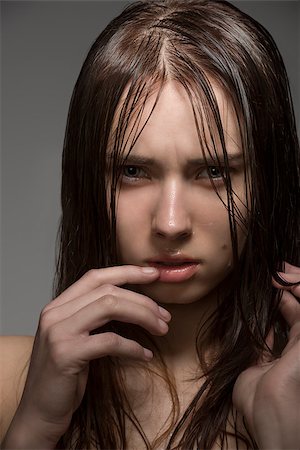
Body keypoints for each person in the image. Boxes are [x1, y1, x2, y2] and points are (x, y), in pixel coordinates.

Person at [1, 0, 300, 448]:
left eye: (215, 171)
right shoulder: (10, 381)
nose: (171, 223)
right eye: (133, 172)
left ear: (269, 181)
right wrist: (36, 427)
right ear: (86, 182)